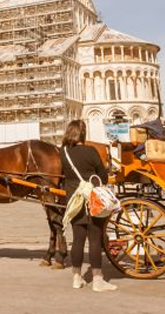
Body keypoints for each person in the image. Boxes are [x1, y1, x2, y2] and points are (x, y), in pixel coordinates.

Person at [60, 119, 115, 292]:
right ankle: (98, 280)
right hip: (93, 201)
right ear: (83, 134)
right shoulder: (91, 151)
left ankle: (77, 277)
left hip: (74, 201)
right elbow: (103, 177)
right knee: (94, 239)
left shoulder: (63, 153)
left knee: (77, 240)